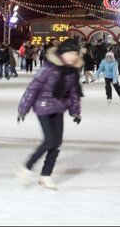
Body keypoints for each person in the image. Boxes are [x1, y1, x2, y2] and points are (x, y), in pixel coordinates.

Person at [16, 39, 84, 190]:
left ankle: (46, 175)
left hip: (59, 109)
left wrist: (75, 111)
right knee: (49, 141)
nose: (73, 57)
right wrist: (23, 109)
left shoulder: (72, 72)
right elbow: (33, 88)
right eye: (70, 53)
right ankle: (26, 168)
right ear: (62, 53)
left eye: (75, 54)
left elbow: (74, 93)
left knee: (57, 143)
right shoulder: (48, 68)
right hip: (43, 107)